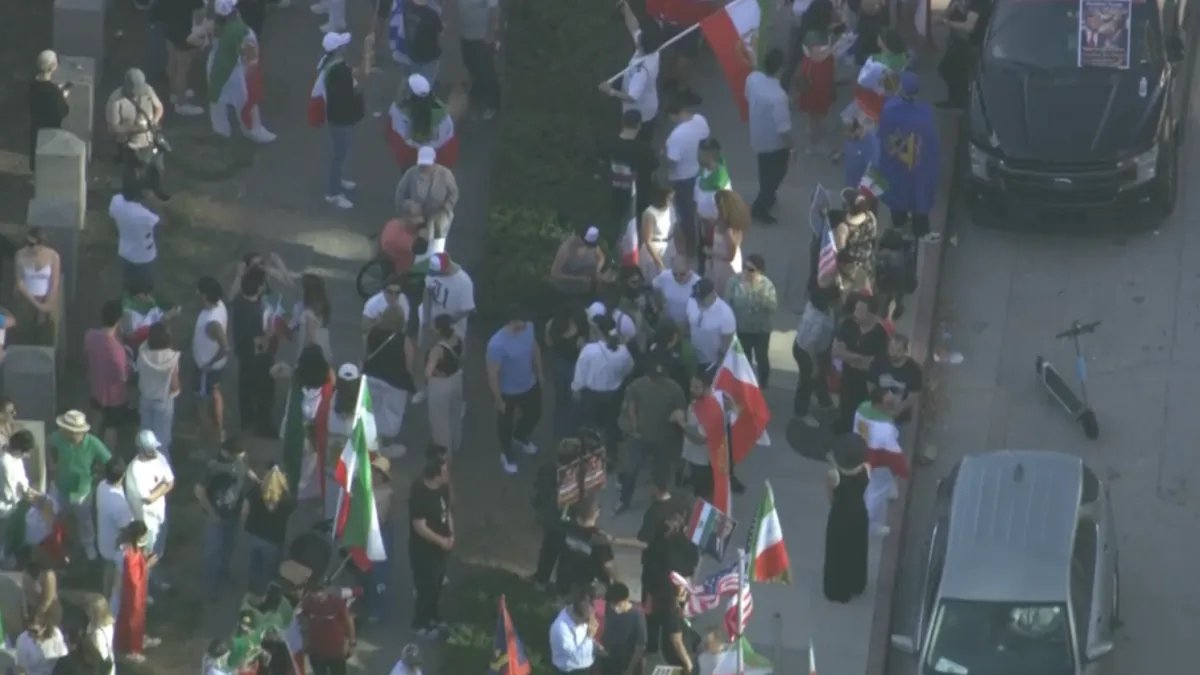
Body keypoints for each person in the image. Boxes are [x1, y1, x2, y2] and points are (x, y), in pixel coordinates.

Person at [618, 355, 686, 513]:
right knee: (630, 470)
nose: (658, 380)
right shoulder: (637, 386)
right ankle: (624, 500)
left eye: (660, 377)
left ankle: (660, 503)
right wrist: (632, 429)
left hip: (664, 438)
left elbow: (680, 410)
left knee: (661, 472)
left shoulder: (675, 389)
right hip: (639, 437)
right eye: (654, 377)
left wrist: (678, 417)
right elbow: (629, 406)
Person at [878, 72, 941, 240]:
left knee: (898, 194)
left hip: (897, 163)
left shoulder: (889, 109)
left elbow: (882, 136)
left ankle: (899, 227)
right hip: (918, 166)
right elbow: (931, 142)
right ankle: (921, 232)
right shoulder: (925, 112)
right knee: (919, 195)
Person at [207, 0, 276, 143]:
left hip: (214, 66)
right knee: (244, 102)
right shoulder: (244, 32)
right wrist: (251, 77)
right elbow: (251, 58)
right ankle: (252, 130)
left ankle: (221, 132)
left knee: (217, 103)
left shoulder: (211, 24)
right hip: (235, 72)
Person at [487, 307, 545, 475]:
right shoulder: (497, 344)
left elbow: (535, 349)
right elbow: (493, 372)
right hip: (508, 392)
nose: (525, 324)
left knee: (535, 414)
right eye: (522, 321)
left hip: (529, 384)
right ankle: (507, 454)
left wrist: (539, 373)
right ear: (512, 321)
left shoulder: (529, 327)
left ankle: (520, 436)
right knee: (505, 425)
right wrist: (498, 399)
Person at [49, 409, 112, 562]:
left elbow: (109, 461)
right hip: (59, 488)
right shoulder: (58, 437)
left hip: (82, 493)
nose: (63, 431)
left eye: (67, 429)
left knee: (85, 521)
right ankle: (55, 545)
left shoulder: (93, 443)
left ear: (75, 432)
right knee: (54, 518)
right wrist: (51, 464)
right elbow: (49, 444)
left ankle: (89, 545)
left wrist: (98, 475)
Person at [573, 315, 635, 468]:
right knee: (611, 426)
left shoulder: (589, 350)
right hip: (613, 395)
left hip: (591, 395)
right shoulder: (623, 351)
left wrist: (576, 388)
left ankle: (589, 457)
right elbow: (628, 369)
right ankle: (610, 458)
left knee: (590, 426)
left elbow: (580, 373)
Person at [316, 32, 366, 209]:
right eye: (342, 45)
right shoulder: (340, 71)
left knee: (340, 153)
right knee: (339, 154)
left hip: (334, 115)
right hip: (341, 117)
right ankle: (333, 193)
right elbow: (351, 92)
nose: (346, 47)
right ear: (337, 49)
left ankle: (338, 180)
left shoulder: (327, 63)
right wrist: (359, 80)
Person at [195, 438, 251, 592]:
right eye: (239, 454)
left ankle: (223, 574)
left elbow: (245, 470)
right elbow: (199, 491)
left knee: (229, 547)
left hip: (233, 514)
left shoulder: (240, 460)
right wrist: (212, 514)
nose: (242, 457)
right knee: (213, 551)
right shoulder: (212, 466)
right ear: (229, 453)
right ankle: (210, 585)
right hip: (215, 516)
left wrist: (257, 480)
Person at [106, 68, 169, 200]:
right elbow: (113, 128)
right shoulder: (115, 100)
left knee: (157, 167)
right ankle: (132, 196)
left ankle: (156, 188)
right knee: (133, 173)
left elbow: (159, 107)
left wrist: (154, 120)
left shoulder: (147, 90)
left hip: (150, 139)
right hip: (130, 144)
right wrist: (135, 128)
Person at [746, 48, 793, 224]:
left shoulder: (753, 79)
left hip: (758, 136)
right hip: (775, 143)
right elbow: (784, 129)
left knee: (764, 170)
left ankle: (767, 195)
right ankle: (760, 205)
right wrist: (793, 147)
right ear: (780, 69)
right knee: (776, 174)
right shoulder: (779, 97)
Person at [125, 430, 174, 595]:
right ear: (141, 449)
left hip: (159, 515)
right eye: (150, 449)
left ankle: (151, 581)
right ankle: (144, 591)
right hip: (145, 522)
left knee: (156, 553)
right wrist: (163, 486)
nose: (154, 451)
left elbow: (171, 481)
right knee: (145, 556)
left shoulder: (159, 457)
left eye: (154, 448)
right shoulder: (135, 469)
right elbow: (148, 498)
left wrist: (162, 487)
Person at [409, 453, 452, 638]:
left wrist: (451, 534)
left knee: (437, 585)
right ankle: (420, 623)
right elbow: (419, 526)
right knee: (426, 588)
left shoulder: (443, 488)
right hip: (424, 552)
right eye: (444, 470)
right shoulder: (420, 493)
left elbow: (448, 511)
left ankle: (433, 617)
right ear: (436, 474)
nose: (448, 473)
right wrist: (441, 541)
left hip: (440, 550)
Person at [832, 293, 889, 433]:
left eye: (861, 311)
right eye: (856, 309)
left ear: (871, 314)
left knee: (862, 412)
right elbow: (836, 351)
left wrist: (849, 357)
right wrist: (856, 358)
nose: (856, 313)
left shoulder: (880, 335)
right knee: (845, 407)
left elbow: (876, 363)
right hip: (848, 376)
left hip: (866, 381)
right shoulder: (848, 325)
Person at [230, 266, 277, 437]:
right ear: (258, 288)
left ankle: (246, 421)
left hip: (243, 353)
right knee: (264, 391)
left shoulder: (239, 303)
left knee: (244, 389)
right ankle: (263, 424)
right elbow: (261, 340)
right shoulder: (259, 312)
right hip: (258, 357)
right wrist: (271, 332)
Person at [823, 433, 870, 603]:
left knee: (838, 553)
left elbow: (831, 498)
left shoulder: (833, 475)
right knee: (856, 550)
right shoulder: (866, 469)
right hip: (858, 514)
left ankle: (838, 590)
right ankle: (856, 583)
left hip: (840, 516)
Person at [663, 93, 710, 261]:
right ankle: (705, 242)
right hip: (700, 171)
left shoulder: (676, 137)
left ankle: (691, 246)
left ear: (673, 115)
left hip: (682, 178)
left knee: (686, 213)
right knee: (701, 209)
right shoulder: (701, 120)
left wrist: (665, 158)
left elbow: (673, 162)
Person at [364, 313, 416, 458]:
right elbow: (409, 365)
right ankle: (384, 446)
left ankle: (370, 442)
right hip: (395, 383)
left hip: (372, 376)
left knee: (372, 410)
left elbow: (366, 352)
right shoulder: (404, 340)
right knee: (391, 415)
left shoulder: (373, 332)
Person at [85, 301, 134, 449]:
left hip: (95, 388)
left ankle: (91, 453)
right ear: (118, 321)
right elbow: (124, 376)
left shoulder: (90, 336)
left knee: (95, 423)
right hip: (114, 396)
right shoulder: (117, 349)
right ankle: (107, 460)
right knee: (111, 428)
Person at [393, 145, 459, 254]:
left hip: (439, 219)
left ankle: (435, 260)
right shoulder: (411, 173)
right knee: (417, 248)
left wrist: (446, 207)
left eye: (427, 163)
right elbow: (399, 196)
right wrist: (409, 205)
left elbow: (454, 193)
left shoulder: (445, 174)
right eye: (423, 163)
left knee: (436, 251)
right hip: (417, 220)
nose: (425, 166)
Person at [111, 520, 161, 663]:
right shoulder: (123, 553)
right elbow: (126, 577)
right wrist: (147, 566)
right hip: (125, 593)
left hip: (134, 592)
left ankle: (139, 640)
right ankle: (132, 650)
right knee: (130, 619)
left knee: (137, 617)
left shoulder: (133, 548)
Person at [386, 74, 460, 169]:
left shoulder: (398, 110)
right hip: (437, 157)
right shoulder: (441, 113)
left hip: (409, 155)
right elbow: (447, 135)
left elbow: (395, 132)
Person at [727, 253, 778, 387]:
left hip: (761, 329)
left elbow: (773, 307)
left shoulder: (767, 285)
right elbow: (727, 303)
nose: (746, 272)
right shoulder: (734, 282)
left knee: (762, 359)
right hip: (742, 328)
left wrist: (759, 294)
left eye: (751, 270)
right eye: (745, 267)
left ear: (760, 271)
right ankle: (748, 385)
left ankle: (763, 383)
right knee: (745, 359)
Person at [242, 465, 292, 596]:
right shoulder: (286, 497)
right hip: (273, 540)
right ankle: (265, 593)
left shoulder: (257, 491)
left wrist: (245, 524)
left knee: (254, 565)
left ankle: (251, 590)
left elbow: (245, 508)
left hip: (254, 535)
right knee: (269, 570)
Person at [794, 0, 837, 151]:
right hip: (816, 77)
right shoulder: (812, 34)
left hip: (822, 75)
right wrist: (835, 48)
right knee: (814, 108)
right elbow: (816, 56)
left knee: (818, 107)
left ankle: (817, 129)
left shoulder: (819, 29)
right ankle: (813, 142)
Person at [793, 283, 836, 425]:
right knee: (807, 381)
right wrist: (814, 365)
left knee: (820, 377)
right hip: (807, 353)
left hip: (807, 347)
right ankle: (801, 413)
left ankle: (825, 403)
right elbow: (811, 345)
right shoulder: (818, 320)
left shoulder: (813, 305)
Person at [154, 0, 207, 116]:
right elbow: (200, 13)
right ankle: (181, 103)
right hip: (184, 31)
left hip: (169, 28)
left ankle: (175, 92)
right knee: (183, 69)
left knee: (172, 62)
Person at [194, 276, 230, 442]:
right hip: (212, 367)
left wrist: (209, 364)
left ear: (204, 296)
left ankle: (208, 437)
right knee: (215, 393)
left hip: (206, 369)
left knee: (202, 403)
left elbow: (225, 348)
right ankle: (219, 430)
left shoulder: (212, 323)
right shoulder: (220, 305)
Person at [136, 323, 181, 459]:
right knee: (162, 442)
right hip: (163, 402)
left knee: (145, 439)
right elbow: (174, 386)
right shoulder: (172, 358)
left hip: (145, 398)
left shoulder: (142, 354)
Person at [556, 496, 617, 596]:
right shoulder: (599, 539)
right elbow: (608, 567)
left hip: (564, 580)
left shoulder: (564, 528)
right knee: (587, 607)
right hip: (585, 587)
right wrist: (614, 581)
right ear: (597, 512)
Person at [13, 227, 61, 347]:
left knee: (45, 332)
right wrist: (35, 303)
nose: (30, 247)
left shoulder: (53, 255)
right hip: (27, 298)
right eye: (28, 243)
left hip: (47, 297)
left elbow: (54, 281)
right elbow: (20, 282)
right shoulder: (20, 255)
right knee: (25, 332)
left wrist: (48, 302)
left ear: (41, 243)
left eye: (33, 244)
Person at [937, 0, 990, 109]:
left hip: (971, 44)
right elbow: (951, 11)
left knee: (952, 71)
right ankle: (957, 101)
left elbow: (969, 27)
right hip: (961, 42)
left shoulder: (979, 4)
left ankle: (960, 103)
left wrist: (946, 22)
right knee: (950, 71)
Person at [424, 314, 464, 453]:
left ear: (439, 330)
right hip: (456, 380)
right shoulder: (458, 340)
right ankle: (455, 443)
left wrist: (435, 374)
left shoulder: (437, 349)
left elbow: (428, 372)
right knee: (454, 415)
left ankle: (444, 451)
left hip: (440, 386)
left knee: (440, 420)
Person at [299, 580, 356, 675]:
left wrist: (352, 643)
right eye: (314, 592)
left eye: (320, 591)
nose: (318, 594)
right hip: (315, 652)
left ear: (325, 590)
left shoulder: (337, 602)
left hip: (335, 652)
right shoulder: (307, 603)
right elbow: (302, 623)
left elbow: (349, 621)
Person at [96, 457, 134, 598]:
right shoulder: (119, 505)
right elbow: (127, 529)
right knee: (117, 578)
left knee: (108, 568)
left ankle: (104, 596)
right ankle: (112, 602)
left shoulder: (101, 486)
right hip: (115, 544)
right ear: (123, 475)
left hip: (104, 537)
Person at [868, 333, 923, 425]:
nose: (893, 353)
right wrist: (878, 406)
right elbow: (870, 385)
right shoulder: (878, 362)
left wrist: (898, 409)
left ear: (905, 351)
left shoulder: (914, 370)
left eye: (898, 350)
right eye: (891, 349)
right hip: (876, 413)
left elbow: (913, 395)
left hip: (900, 417)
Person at [457, 0, 501, 118]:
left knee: (487, 70)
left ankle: (493, 104)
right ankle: (478, 90)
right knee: (470, 63)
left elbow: (495, 10)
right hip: (466, 34)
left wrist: (491, 34)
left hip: (482, 37)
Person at [28, 50, 70, 172]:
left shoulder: (33, 84)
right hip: (50, 131)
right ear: (52, 67)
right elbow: (63, 111)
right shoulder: (53, 91)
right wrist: (63, 97)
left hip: (36, 127)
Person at [678, 372, 715, 502]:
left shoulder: (710, 409)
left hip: (703, 460)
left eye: (697, 387)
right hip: (695, 456)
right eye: (691, 386)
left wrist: (681, 423)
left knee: (702, 495)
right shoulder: (697, 402)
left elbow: (700, 438)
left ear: (707, 388)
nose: (692, 389)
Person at [833, 193, 878, 298]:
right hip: (866, 258)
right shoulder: (870, 216)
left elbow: (840, 249)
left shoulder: (844, 227)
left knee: (846, 290)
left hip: (850, 264)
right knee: (864, 286)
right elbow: (873, 235)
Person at [421, 252, 475, 340]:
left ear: (447, 268)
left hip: (454, 331)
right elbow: (427, 292)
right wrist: (426, 320)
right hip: (431, 327)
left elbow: (467, 309)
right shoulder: (433, 272)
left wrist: (445, 324)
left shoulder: (464, 282)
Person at [685, 278, 735, 370]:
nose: (698, 301)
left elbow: (726, 345)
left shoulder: (725, 314)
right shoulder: (692, 301)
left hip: (712, 363)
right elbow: (688, 324)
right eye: (697, 298)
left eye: (702, 298)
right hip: (693, 357)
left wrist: (717, 367)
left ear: (712, 294)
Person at [694, 138, 731, 262]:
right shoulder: (702, 171)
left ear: (711, 156)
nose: (698, 156)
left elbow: (726, 206)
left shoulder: (720, 178)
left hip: (716, 227)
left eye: (702, 154)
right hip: (704, 223)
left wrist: (716, 224)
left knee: (714, 258)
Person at [550, 589, 602, 674]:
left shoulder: (582, 615)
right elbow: (576, 656)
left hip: (586, 665)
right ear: (578, 617)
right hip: (571, 670)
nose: (591, 622)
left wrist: (594, 644)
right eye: (587, 620)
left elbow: (581, 639)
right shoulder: (561, 629)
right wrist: (589, 636)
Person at [707, 190, 747, 299]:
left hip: (725, 266)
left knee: (723, 291)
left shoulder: (728, 231)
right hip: (721, 261)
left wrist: (711, 252)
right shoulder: (733, 221)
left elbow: (730, 256)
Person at [0, 429, 33, 559]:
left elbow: (22, 479)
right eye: (26, 452)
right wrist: (26, 495)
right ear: (19, 450)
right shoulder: (5, 463)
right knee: (4, 539)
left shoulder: (16, 459)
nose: (27, 456)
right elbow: (9, 494)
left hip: (17, 504)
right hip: (6, 509)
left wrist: (26, 489)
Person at [601, 582, 647, 675]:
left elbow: (640, 645)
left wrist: (630, 669)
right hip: (610, 658)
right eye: (612, 604)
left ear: (626, 599)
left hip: (628, 661)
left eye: (617, 604)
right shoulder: (609, 608)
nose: (614, 607)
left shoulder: (637, 614)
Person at [394, 0, 445, 83]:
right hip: (429, 56)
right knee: (427, 83)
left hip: (413, 54)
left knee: (415, 80)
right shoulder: (432, 14)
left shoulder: (406, 6)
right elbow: (439, 32)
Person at [550, 225, 606, 299]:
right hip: (563, 290)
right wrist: (579, 279)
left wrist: (597, 270)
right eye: (586, 244)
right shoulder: (566, 250)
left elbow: (601, 257)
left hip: (583, 291)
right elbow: (555, 275)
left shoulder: (592, 247)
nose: (587, 247)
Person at [294, 273, 334, 364]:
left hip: (310, 356)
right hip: (323, 347)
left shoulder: (308, 314)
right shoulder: (323, 305)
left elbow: (310, 339)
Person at [652, 256, 700, 329]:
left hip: (688, 326)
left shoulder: (698, 283)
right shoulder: (665, 276)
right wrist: (659, 308)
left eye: (682, 274)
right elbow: (655, 287)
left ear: (689, 268)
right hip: (668, 323)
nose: (678, 278)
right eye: (674, 274)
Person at [21, 547, 62, 630]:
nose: (34, 555)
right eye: (33, 552)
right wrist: (25, 610)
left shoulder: (48, 574)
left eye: (37, 553)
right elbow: (25, 592)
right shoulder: (27, 572)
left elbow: (48, 601)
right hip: (32, 608)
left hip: (48, 611)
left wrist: (38, 616)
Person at [661, 581, 696, 673]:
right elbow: (677, 642)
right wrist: (688, 662)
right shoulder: (673, 615)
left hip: (684, 657)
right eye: (684, 592)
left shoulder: (679, 611)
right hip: (678, 661)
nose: (686, 594)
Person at [841, 116, 881, 190]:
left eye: (850, 132)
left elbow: (873, 169)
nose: (847, 135)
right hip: (849, 183)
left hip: (863, 187)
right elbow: (848, 152)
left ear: (859, 130)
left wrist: (863, 190)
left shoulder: (872, 144)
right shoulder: (849, 139)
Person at [85, 595, 116, 675]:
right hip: (109, 662)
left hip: (99, 668)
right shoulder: (109, 624)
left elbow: (98, 654)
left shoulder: (97, 633)